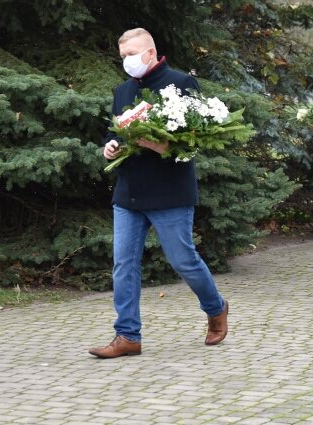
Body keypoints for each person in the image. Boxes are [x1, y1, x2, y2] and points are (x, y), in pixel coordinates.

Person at [89, 28, 228, 358]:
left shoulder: (181, 83)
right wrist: (110, 146)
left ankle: (216, 307)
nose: (128, 61)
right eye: (123, 56)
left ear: (151, 52)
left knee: (183, 260)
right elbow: (116, 130)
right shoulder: (122, 90)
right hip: (129, 191)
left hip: (169, 191)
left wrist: (160, 144)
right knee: (124, 265)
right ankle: (127, 336)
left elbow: (195, 142)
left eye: (133, 54)